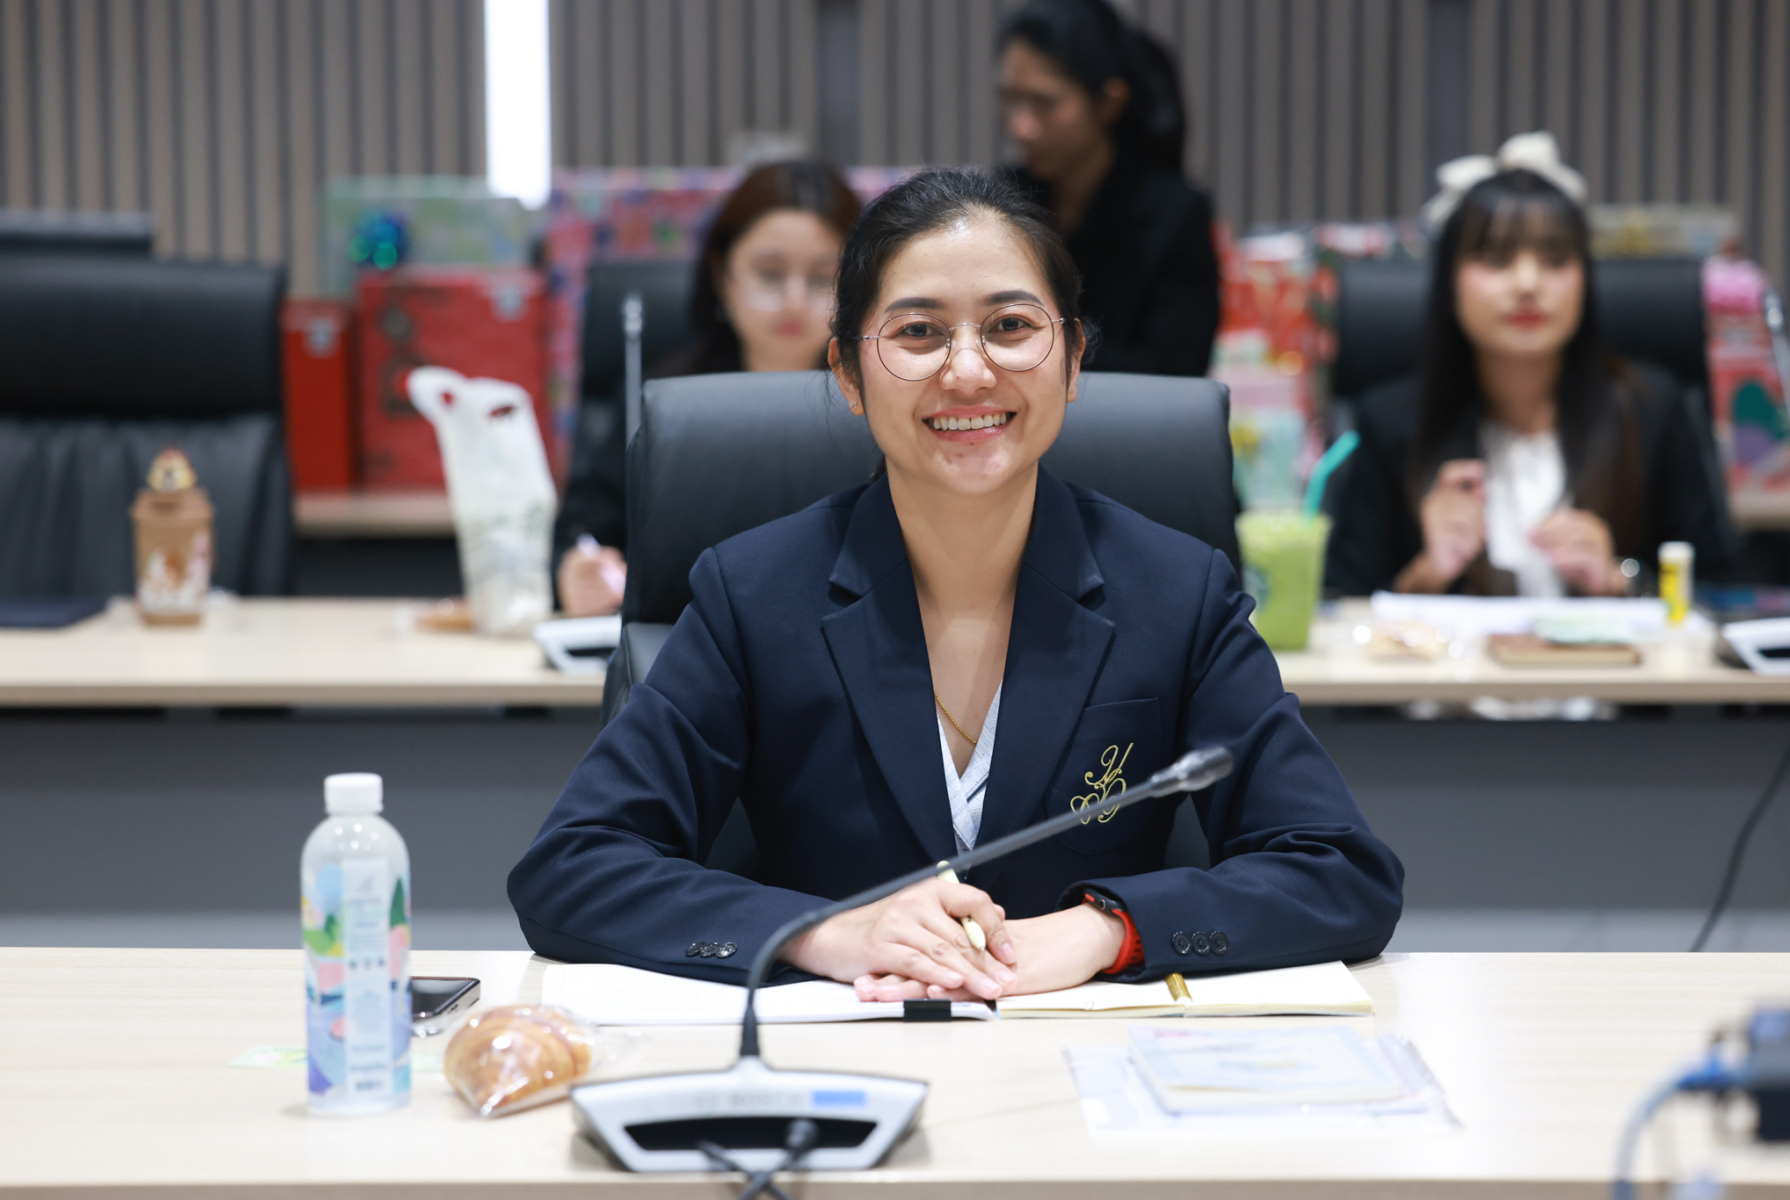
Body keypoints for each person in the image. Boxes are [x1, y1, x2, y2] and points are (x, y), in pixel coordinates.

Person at [509, 168, 1402, 1000]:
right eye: (918, 332)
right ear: (848, 375)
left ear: (1072, 358)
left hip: (1084, 1068)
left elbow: (1340, 870)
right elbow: (573, 867)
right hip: (844, 1062)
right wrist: (822, 932)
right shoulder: (754, 593)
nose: (968, 370)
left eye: (1010, 327)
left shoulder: (1176, 592)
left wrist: (1106, 929)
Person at [1327, 135, 1734, 597]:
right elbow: (1338, 604)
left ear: (1585, 280)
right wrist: (1426, 573)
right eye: (1495, 259)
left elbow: (1723, 591)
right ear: (1449, 282)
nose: (1527, 283)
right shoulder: (1390, 422)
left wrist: (1620, 579)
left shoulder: (1654, 410)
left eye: (1555, 260)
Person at [553, 161, 864, 617]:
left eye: (822, 279)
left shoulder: (883, 399)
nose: (795, 300)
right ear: (724, 278)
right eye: (770, 274)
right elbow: (582, 530)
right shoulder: (665, 399)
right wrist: (577, 569)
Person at [998, 0, 1219, 376]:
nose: (1021, 127)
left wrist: (1042, 348)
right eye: (1011, 99)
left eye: (1043, 103)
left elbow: (1178, 370)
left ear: (1108, 102)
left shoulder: (1175, 215)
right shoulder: (1002, 199)